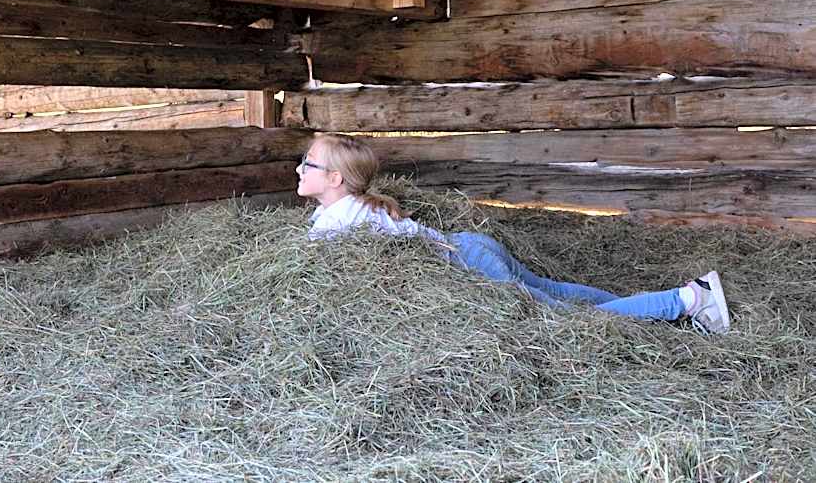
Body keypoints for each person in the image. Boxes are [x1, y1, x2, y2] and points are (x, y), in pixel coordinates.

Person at [296, 133, 731, 335]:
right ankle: (673, 303)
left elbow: (318, 265)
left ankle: (689, 299)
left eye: (308, 164)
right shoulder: (353, 207)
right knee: (556, 292)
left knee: (567, 320)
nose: (300, 168)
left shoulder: (342, 220)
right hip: (472, 245)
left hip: (469, 265)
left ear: (335, 179)